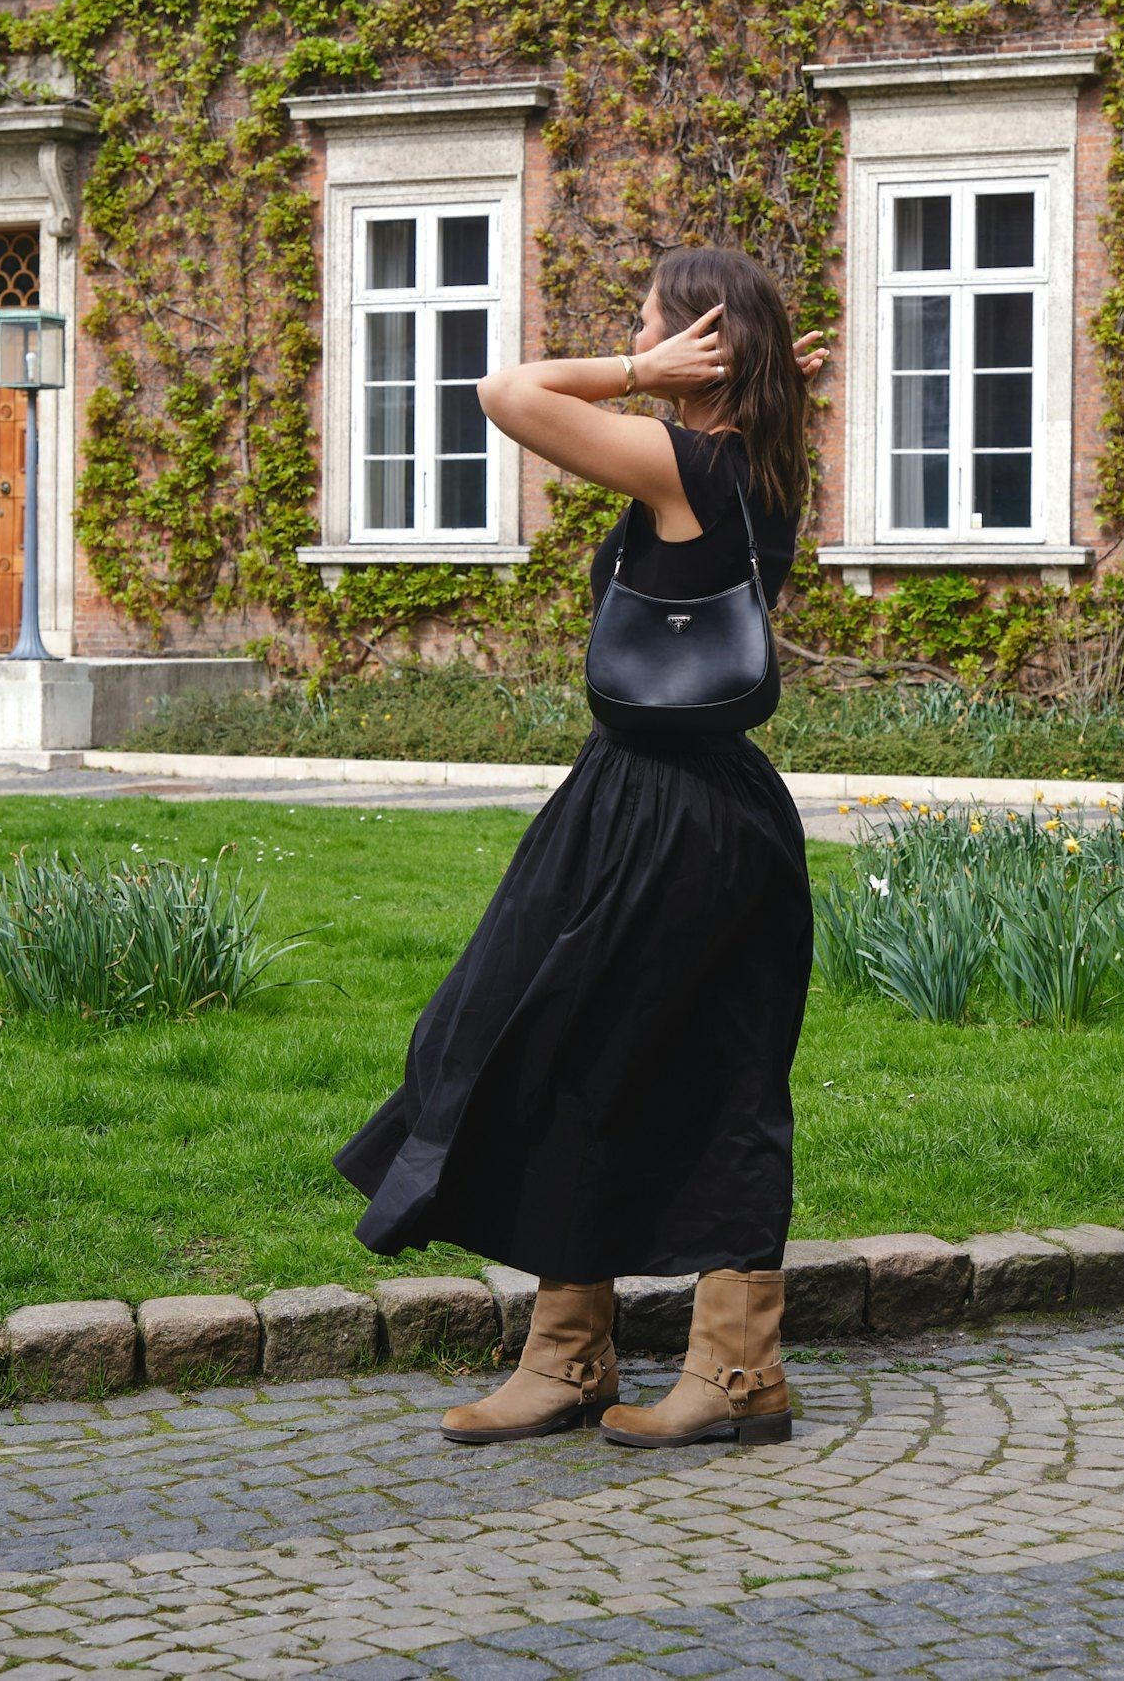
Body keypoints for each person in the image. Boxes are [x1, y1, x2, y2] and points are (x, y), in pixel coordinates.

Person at [332, 245, 830, 1449]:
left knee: (645, 1064)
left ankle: (727, 1373)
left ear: (699, 347)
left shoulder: (684, 463)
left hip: (665, 813)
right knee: (597, 1058)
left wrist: (638, 374)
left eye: (651, 325)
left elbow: (506, 394)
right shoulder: (750, 457)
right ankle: (576, 1356)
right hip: (681, 805)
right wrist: (733, 373)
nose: (636, 342)